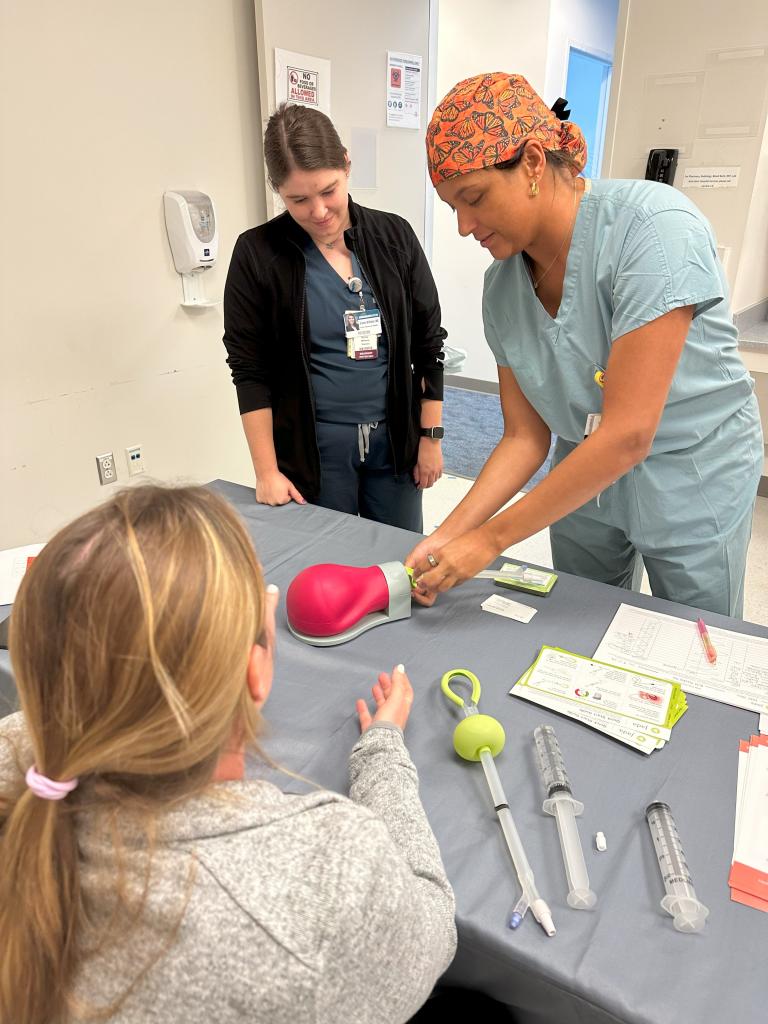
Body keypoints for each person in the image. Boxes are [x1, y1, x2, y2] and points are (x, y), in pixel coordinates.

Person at [0, 485, 456, 1024]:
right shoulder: (329, 880)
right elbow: (432, 924)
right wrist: (382, 752)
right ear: (254, 671)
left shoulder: (20, 756)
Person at [407, 72, 763, 618]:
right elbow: (525, 437)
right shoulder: (502, 289)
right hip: (582, 473)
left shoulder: (653, 229)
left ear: (530, 162)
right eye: (452, 205)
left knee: (695, 638)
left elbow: (627, 434)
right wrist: (450, 534)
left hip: (691, 471)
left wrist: (489, 541)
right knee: (582, 622)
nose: (463, 226)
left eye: (473, 198)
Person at [223, 103, 447, 533]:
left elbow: (428, 347)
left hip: (395, 442)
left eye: (329, 190)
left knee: (399, 563)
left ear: (346, 164)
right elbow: (249, 371)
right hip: (315, 450)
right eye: (298, 199)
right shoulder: (258, 254)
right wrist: (266, 471)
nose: (319, 211)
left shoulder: (393, 237)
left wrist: (430, 439)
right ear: (277, 189)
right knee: (327, 569)